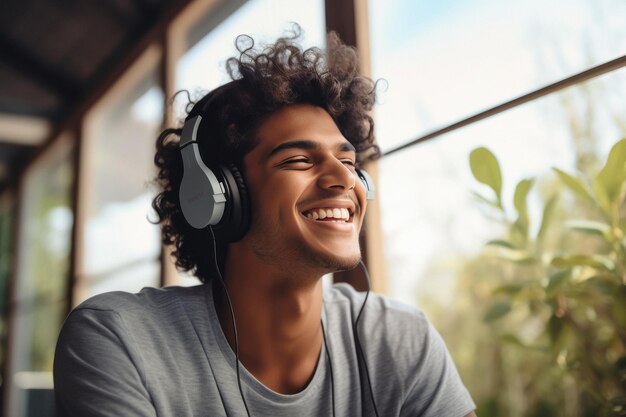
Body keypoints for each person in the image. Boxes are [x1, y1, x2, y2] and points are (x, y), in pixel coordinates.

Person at [54, 26, 476, 417]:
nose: (345, 178)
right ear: (217, 195)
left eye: (348, 162)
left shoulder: (400, 338)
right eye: (298, 160)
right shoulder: (119, 339)